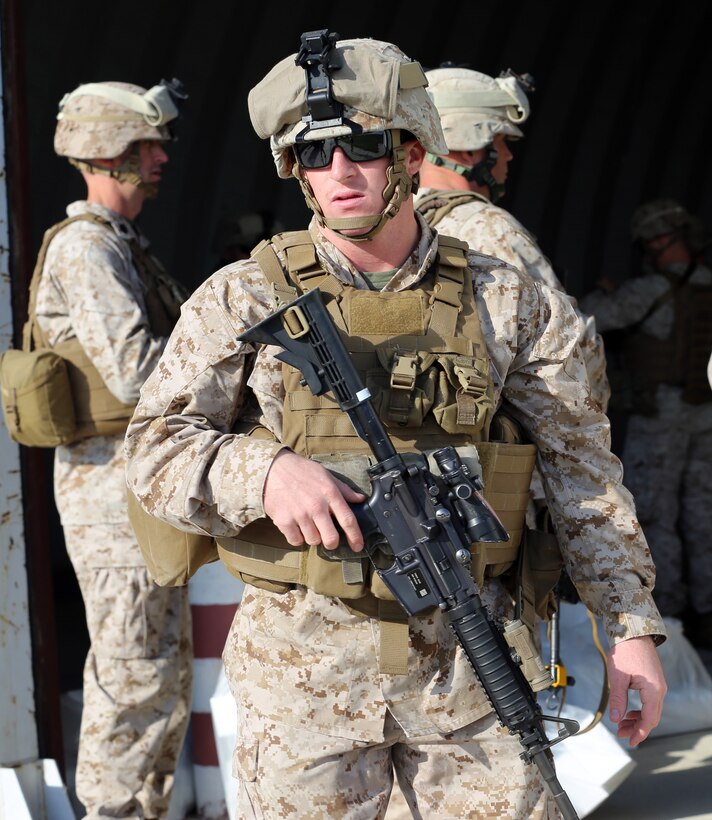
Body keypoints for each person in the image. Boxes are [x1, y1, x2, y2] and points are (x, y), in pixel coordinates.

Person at [125, 33, 666, 818]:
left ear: (413, 152)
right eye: (314, 155)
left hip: (471, 671)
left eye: (364, 147)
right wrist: (267, 472)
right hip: (302, 679)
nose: (340, 173)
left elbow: (582, 472)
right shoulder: (243, 297)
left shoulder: (506, 299)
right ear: (293, 168)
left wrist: (630, 628)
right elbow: (154, 447)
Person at [36, 80, 193, 818]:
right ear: (107, 154)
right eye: (143, 146)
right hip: (111, 501)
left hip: (139, 494)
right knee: (133, 678)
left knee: (159, 676)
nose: (160, 157)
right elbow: (135, 373)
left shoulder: (122, 244)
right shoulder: (88, 249)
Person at [415, 65, 610, 414]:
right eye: (501, 142)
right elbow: (564, 349)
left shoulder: (401, 226)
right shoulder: (488, 227)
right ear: (470, 149)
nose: (508, 155)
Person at [581, 198, 712, 650]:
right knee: (703, 513)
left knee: (655, 515)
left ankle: (671, 612)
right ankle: (708, 610)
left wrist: (604, 291)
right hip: (705, 412)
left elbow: (586, 317)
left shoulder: (649, 290)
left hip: (662, 418)